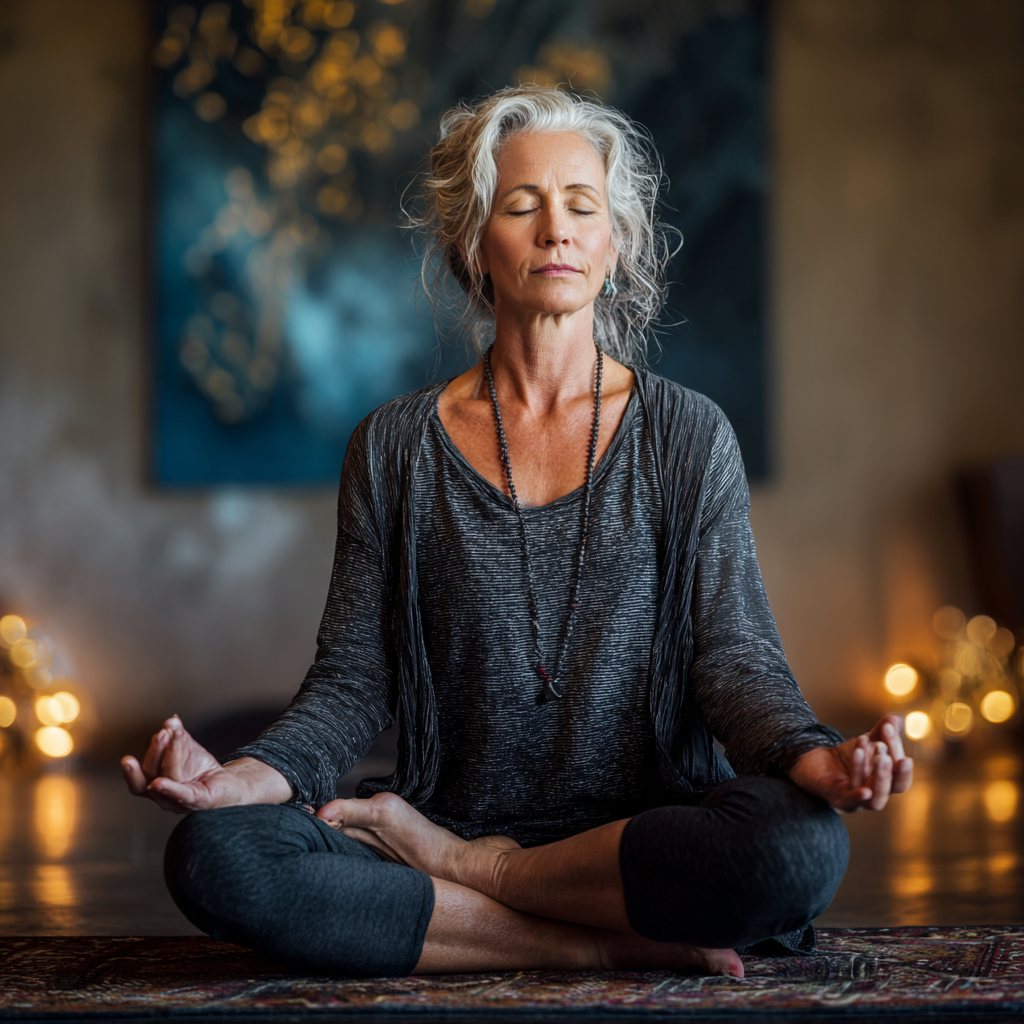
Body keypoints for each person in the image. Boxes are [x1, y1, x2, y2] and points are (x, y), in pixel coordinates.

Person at [122, 86, 913, 980]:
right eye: (522, 206)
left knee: (797, 851)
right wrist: (240, 780)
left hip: (636, 842)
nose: (557, 231)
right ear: (475, 247)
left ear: (615, 247)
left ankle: (482, 882)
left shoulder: (689, 436)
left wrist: (817, 760)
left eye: (583, 208)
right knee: (216, 856)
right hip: (449, 815)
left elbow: (734, 661)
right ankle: (594, 943)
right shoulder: (393, 447)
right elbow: (351, 682)